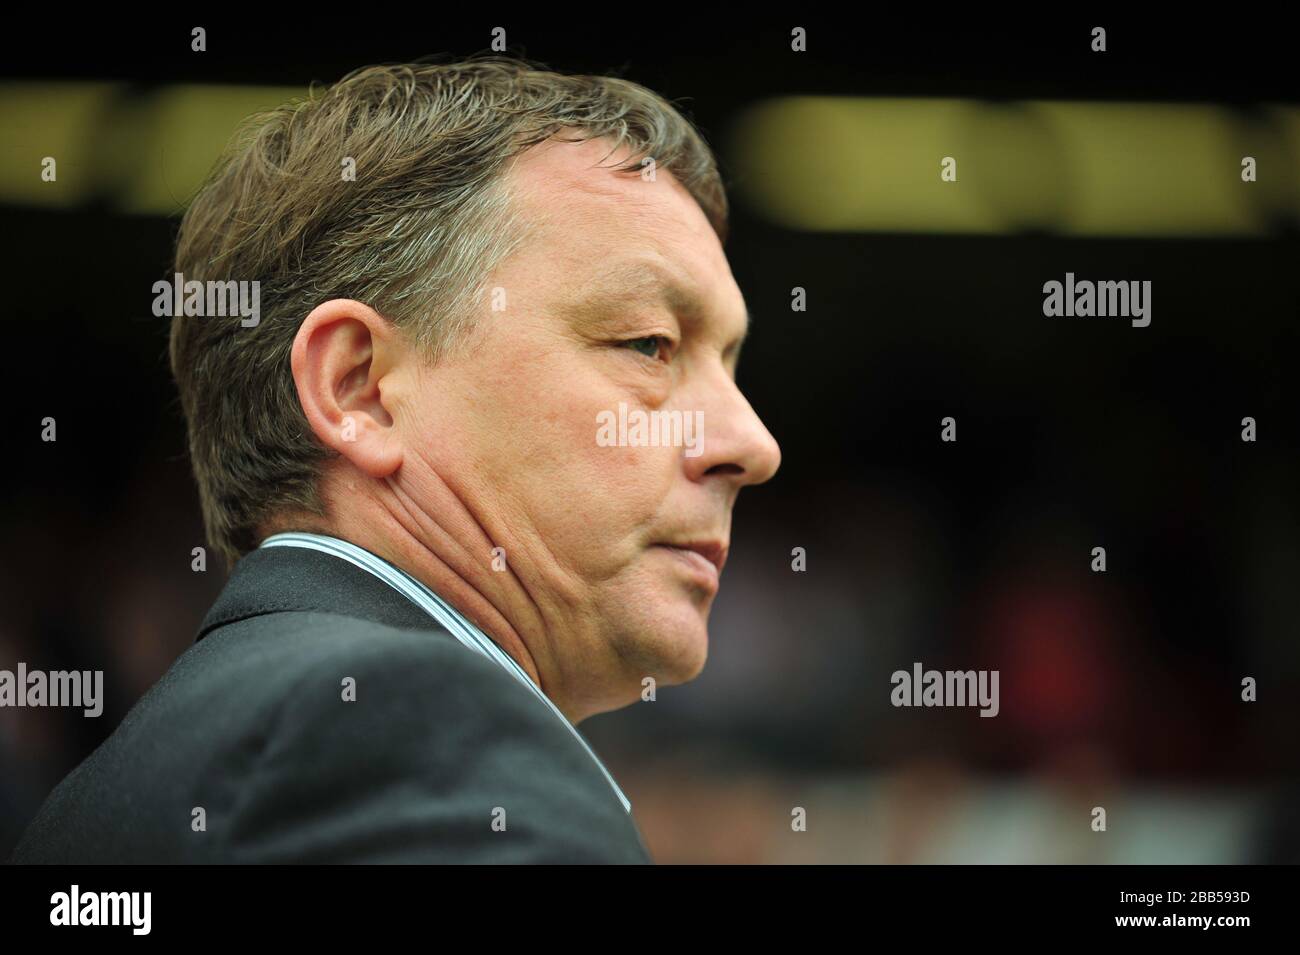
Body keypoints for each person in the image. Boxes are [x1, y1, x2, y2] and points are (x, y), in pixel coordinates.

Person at [10, 56, 781, 864]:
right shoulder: (410, 738)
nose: (752, 444)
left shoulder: (118, 780)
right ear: (360, 389)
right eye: (648, 343)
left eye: (729, 364)